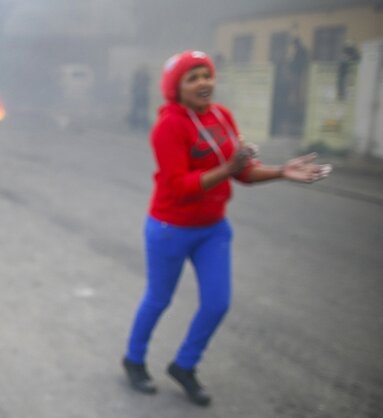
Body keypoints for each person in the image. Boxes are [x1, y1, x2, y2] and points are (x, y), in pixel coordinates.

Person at [122, 51, 332, 406]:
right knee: (159, 299)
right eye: (193, 77)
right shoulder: (169, 125)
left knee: (217, 303)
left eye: (207, 74)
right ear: (176, 88)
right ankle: (134, 359)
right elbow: (179, 186)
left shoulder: (222, 116)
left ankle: (185, 365)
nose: (204, 82)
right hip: (170, 227)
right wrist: (230, 167)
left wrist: (282, 171)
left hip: (213, 229)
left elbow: (244, 172)